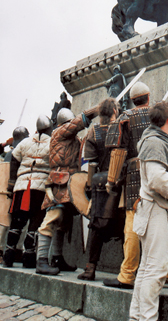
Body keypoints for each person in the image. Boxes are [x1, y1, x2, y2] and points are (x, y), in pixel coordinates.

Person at [102, 82, 168, 290]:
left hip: (136, 174)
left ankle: (127, 275)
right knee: (165, 223)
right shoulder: (158, 118)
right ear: (148, 97)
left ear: (133, 99)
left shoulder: (125, 117)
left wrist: (112, 181)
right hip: (159, 172)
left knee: (133, 225)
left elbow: (118, 151)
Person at [129, 101, 168, 321]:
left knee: (146, 269)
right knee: (156, 269)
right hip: (154, 208)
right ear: (167, 120)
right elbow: (156, 179)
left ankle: (137, 318)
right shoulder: (154, 142)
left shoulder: (157, 136)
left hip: (152, 208)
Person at [36, 104, 99, 275]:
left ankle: (57, 258)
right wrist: (95, 110)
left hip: (71, 182)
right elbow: (78, 123)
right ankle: (41, 260)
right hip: (59, 180)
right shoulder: (59, 132)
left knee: (64, 222)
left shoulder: (74, 140)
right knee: (53, 217)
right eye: (70, 123)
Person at [3, 115, 52, 268]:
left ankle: (8, 256)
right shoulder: (51, 142)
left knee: (17, 221)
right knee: (35, 222)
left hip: (21, 187)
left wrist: (11, 182)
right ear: (49, 127)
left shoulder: (24, 142)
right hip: (39, 188)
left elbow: (14, 160)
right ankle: (28, 258)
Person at [77, 98, 119, 281]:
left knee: (96, 226)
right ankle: (128, 269)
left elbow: (92, 164)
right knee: (124, 224)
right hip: (119, 182)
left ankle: (90, 268)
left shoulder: (93, 132)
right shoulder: (120, 128)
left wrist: (89, 183)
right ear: (114, 112)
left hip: (100, 183)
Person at [0, 126, 30, 264]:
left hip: (15, 192)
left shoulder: (13, 153)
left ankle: (12, 251)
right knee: (7, 223)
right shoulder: (14, 154)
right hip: (11, 192)